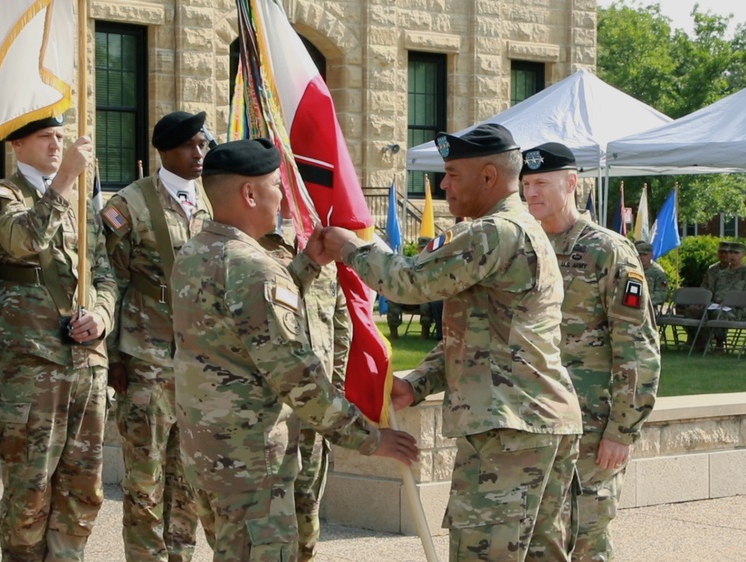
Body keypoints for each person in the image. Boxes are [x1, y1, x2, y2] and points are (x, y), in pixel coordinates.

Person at [320, 124, 583, 562]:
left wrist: (350, 247)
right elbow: (484, 334)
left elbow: (408, 282)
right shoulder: (525, 229)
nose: (443, 185)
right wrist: (419, 382)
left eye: (452, 174)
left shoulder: (492, 233)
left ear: (488, 176)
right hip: (538, 422)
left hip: (507, 429)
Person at [172, 138, 418, 562]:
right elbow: (298, 378)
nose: (283, 195)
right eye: (275, 185)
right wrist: (370, 439)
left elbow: (240, 324)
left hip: (210, 452)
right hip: (252, 463)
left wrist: (305, 267)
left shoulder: (196, 251)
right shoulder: (254, 268)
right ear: (250, 194)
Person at [0, 116, 117, 561]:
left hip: (86, 363)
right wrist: (67, 179)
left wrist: (102, 316)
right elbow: (22, 240)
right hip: (30, 364)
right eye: (45, 137)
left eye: (60, 137)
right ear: (17, 143)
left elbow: (104, 273)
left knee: (83, 490)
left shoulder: (80, 203)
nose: (57, 144)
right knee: (29, 491)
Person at [521, 141, 660, 562]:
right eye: (526, 184)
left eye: (542, 182)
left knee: (586, 541)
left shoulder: (608, 250)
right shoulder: (525, 248)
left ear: (572, 183)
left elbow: (637, 346)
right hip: (536, 422)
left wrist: (622, 431)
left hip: (591, 425)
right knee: (539, 542)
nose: (532, 194)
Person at [102, 110, 212, 562]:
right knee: (145, 481)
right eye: (190, 146)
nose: (200, 153)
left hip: (195, 365)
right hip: (145, 360)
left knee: (188, 478)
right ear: (164, 150)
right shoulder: (129, 205)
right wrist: (112, 358)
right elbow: (110, 279)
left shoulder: (208, 202)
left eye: (203, 145)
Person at [259, 206, 350, 562]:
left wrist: (335, 390)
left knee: (308, 513)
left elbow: (340, 327)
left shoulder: (321, 250)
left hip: (316, 408)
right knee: (267, 521)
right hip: (273, 412)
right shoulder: (254, 250)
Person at [635, 241, 669, 310]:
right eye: (640, 254)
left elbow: (661, 294)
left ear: (651, 255)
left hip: (649, 308)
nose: (642, 257)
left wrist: (643, 300)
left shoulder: (658, 272)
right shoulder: (634, 269)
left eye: (645, 255)